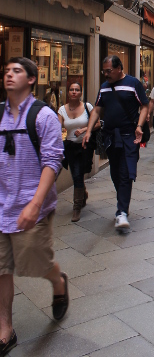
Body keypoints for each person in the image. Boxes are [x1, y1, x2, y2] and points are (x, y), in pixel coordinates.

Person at [0, 58, 68, 355]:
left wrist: (35, 203)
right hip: (1, 204)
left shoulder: (43, 116)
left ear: (31, 79)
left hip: (31, 205)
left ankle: (58, 280)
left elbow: (53, 161)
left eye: (16, 71)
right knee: (1, 268)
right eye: (6, 71)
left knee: (36, 263)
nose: (9, 75)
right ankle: (5, 327)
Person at [83, 56, 149, 231]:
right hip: (110, 136)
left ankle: (121, 212)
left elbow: (144, 105)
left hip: (130, 135)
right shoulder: (104, 88)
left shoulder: (133, 83)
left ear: (119, 68)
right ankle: (123, 204)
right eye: (104, 71)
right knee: (115, 172)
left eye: (108, 71)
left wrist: (140, 126)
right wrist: (89, 130)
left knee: (126, 171)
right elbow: (97, 109)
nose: (105, 74)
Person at [58, 82, 100, 222]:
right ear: (68, 92)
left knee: (78, 174)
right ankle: (83, 193)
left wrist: (83, 130)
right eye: (71, 89)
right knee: (76, 174)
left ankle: (76, 207)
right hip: (70, 146)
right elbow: (57, 129)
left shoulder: (88, 107)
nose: (74, 92)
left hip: (85, 146)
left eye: (77, 90)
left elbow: (98, 123)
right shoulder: (62, 110)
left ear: (81, 93)